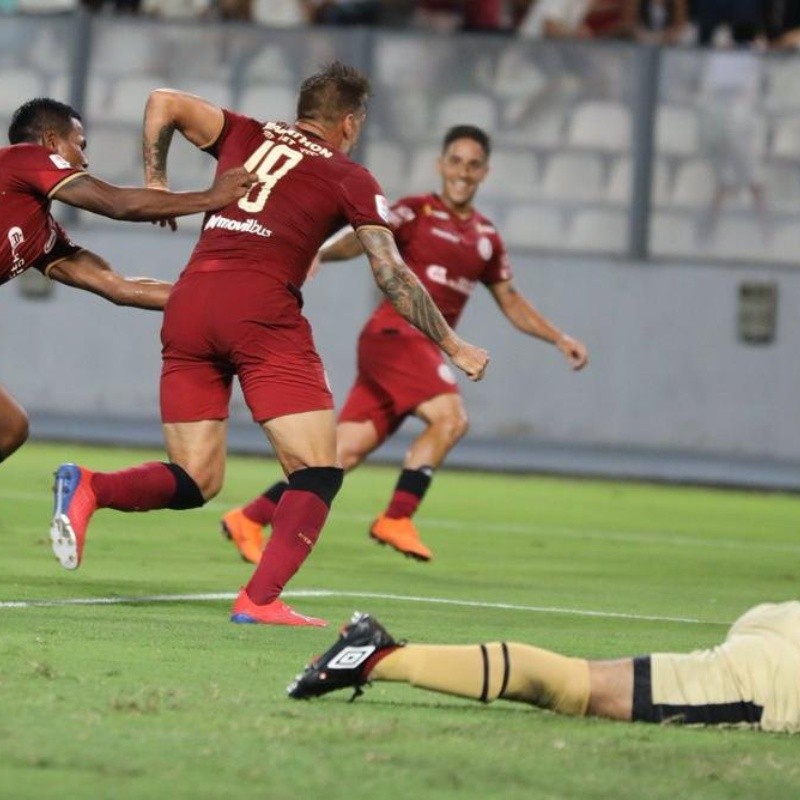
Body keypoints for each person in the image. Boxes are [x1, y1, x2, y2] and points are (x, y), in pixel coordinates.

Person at [50, 63, 489, 627]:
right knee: (318, 469)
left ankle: (89, 486)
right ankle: (258, 601)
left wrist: (156, 182)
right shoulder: (348, 175)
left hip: (189, 304)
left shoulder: (245, 133)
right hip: (259, 314)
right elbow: (391, 273)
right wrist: (453, 344)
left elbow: (164, 100)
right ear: (350, 123)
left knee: (197, 478)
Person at [221, 125, 587, 565]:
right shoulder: (416, 211)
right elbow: (364, 237)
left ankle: (251, 516)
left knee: (338, 457)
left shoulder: (487, 239)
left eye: (473, 165)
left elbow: (510, 300)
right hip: (395, 336)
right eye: (455, 161)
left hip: (414, 351)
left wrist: (558, 337)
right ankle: (397, 517)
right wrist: (320, 252)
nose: (462, 173)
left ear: (484, 172)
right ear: (441, 164)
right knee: (450, 420)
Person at [0, 97, 255, 466]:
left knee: (10, 428)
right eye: (79, 145)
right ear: (52, 142)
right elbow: (115, 202)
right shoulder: (23, 157)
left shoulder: (39, 231)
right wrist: (209, 197)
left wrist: (212, 300)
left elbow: (115, 285)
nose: (84, 160)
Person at [287, 604, 800, 733]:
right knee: (576, 688)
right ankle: (374, 655)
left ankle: (373, 654)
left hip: (782, 623)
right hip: (779, 675)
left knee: (586, 680)